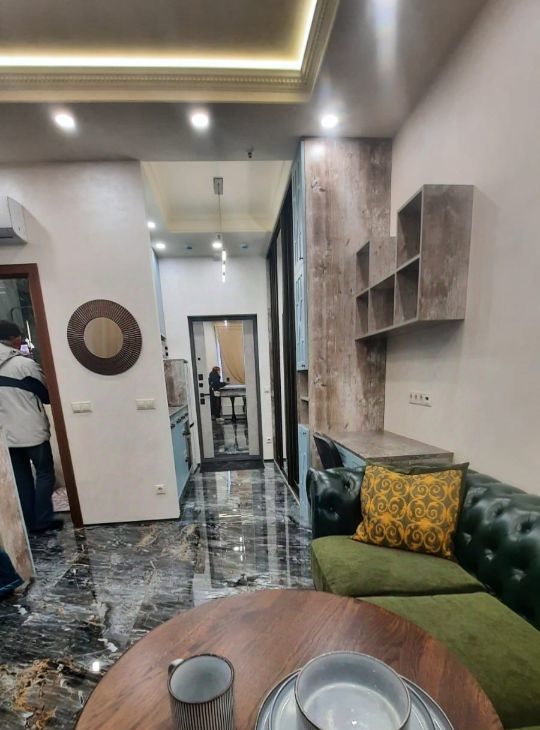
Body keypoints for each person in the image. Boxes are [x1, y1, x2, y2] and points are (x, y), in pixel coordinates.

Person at [0, 320, 61, 533]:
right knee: (44, 473)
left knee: (21, 478)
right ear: (12, 339)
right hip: (32, 431)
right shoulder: (24, 364)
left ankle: (28, 523)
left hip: (5, 435)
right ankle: (42, 520)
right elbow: (46, 395)